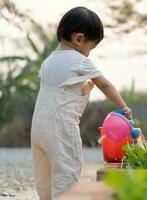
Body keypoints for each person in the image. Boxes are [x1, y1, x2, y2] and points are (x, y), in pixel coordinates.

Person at [30, 6, 133, 200]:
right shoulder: (80, 61)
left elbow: (61, 91)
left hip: (38, 130)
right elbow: (106, 85)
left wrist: (85, 89)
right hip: (61, 130)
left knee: (45, 179)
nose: (89, 54)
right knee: (66, 175)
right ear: (78, 39)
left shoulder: (48, 62)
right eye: (90, 47)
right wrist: (123, 107)